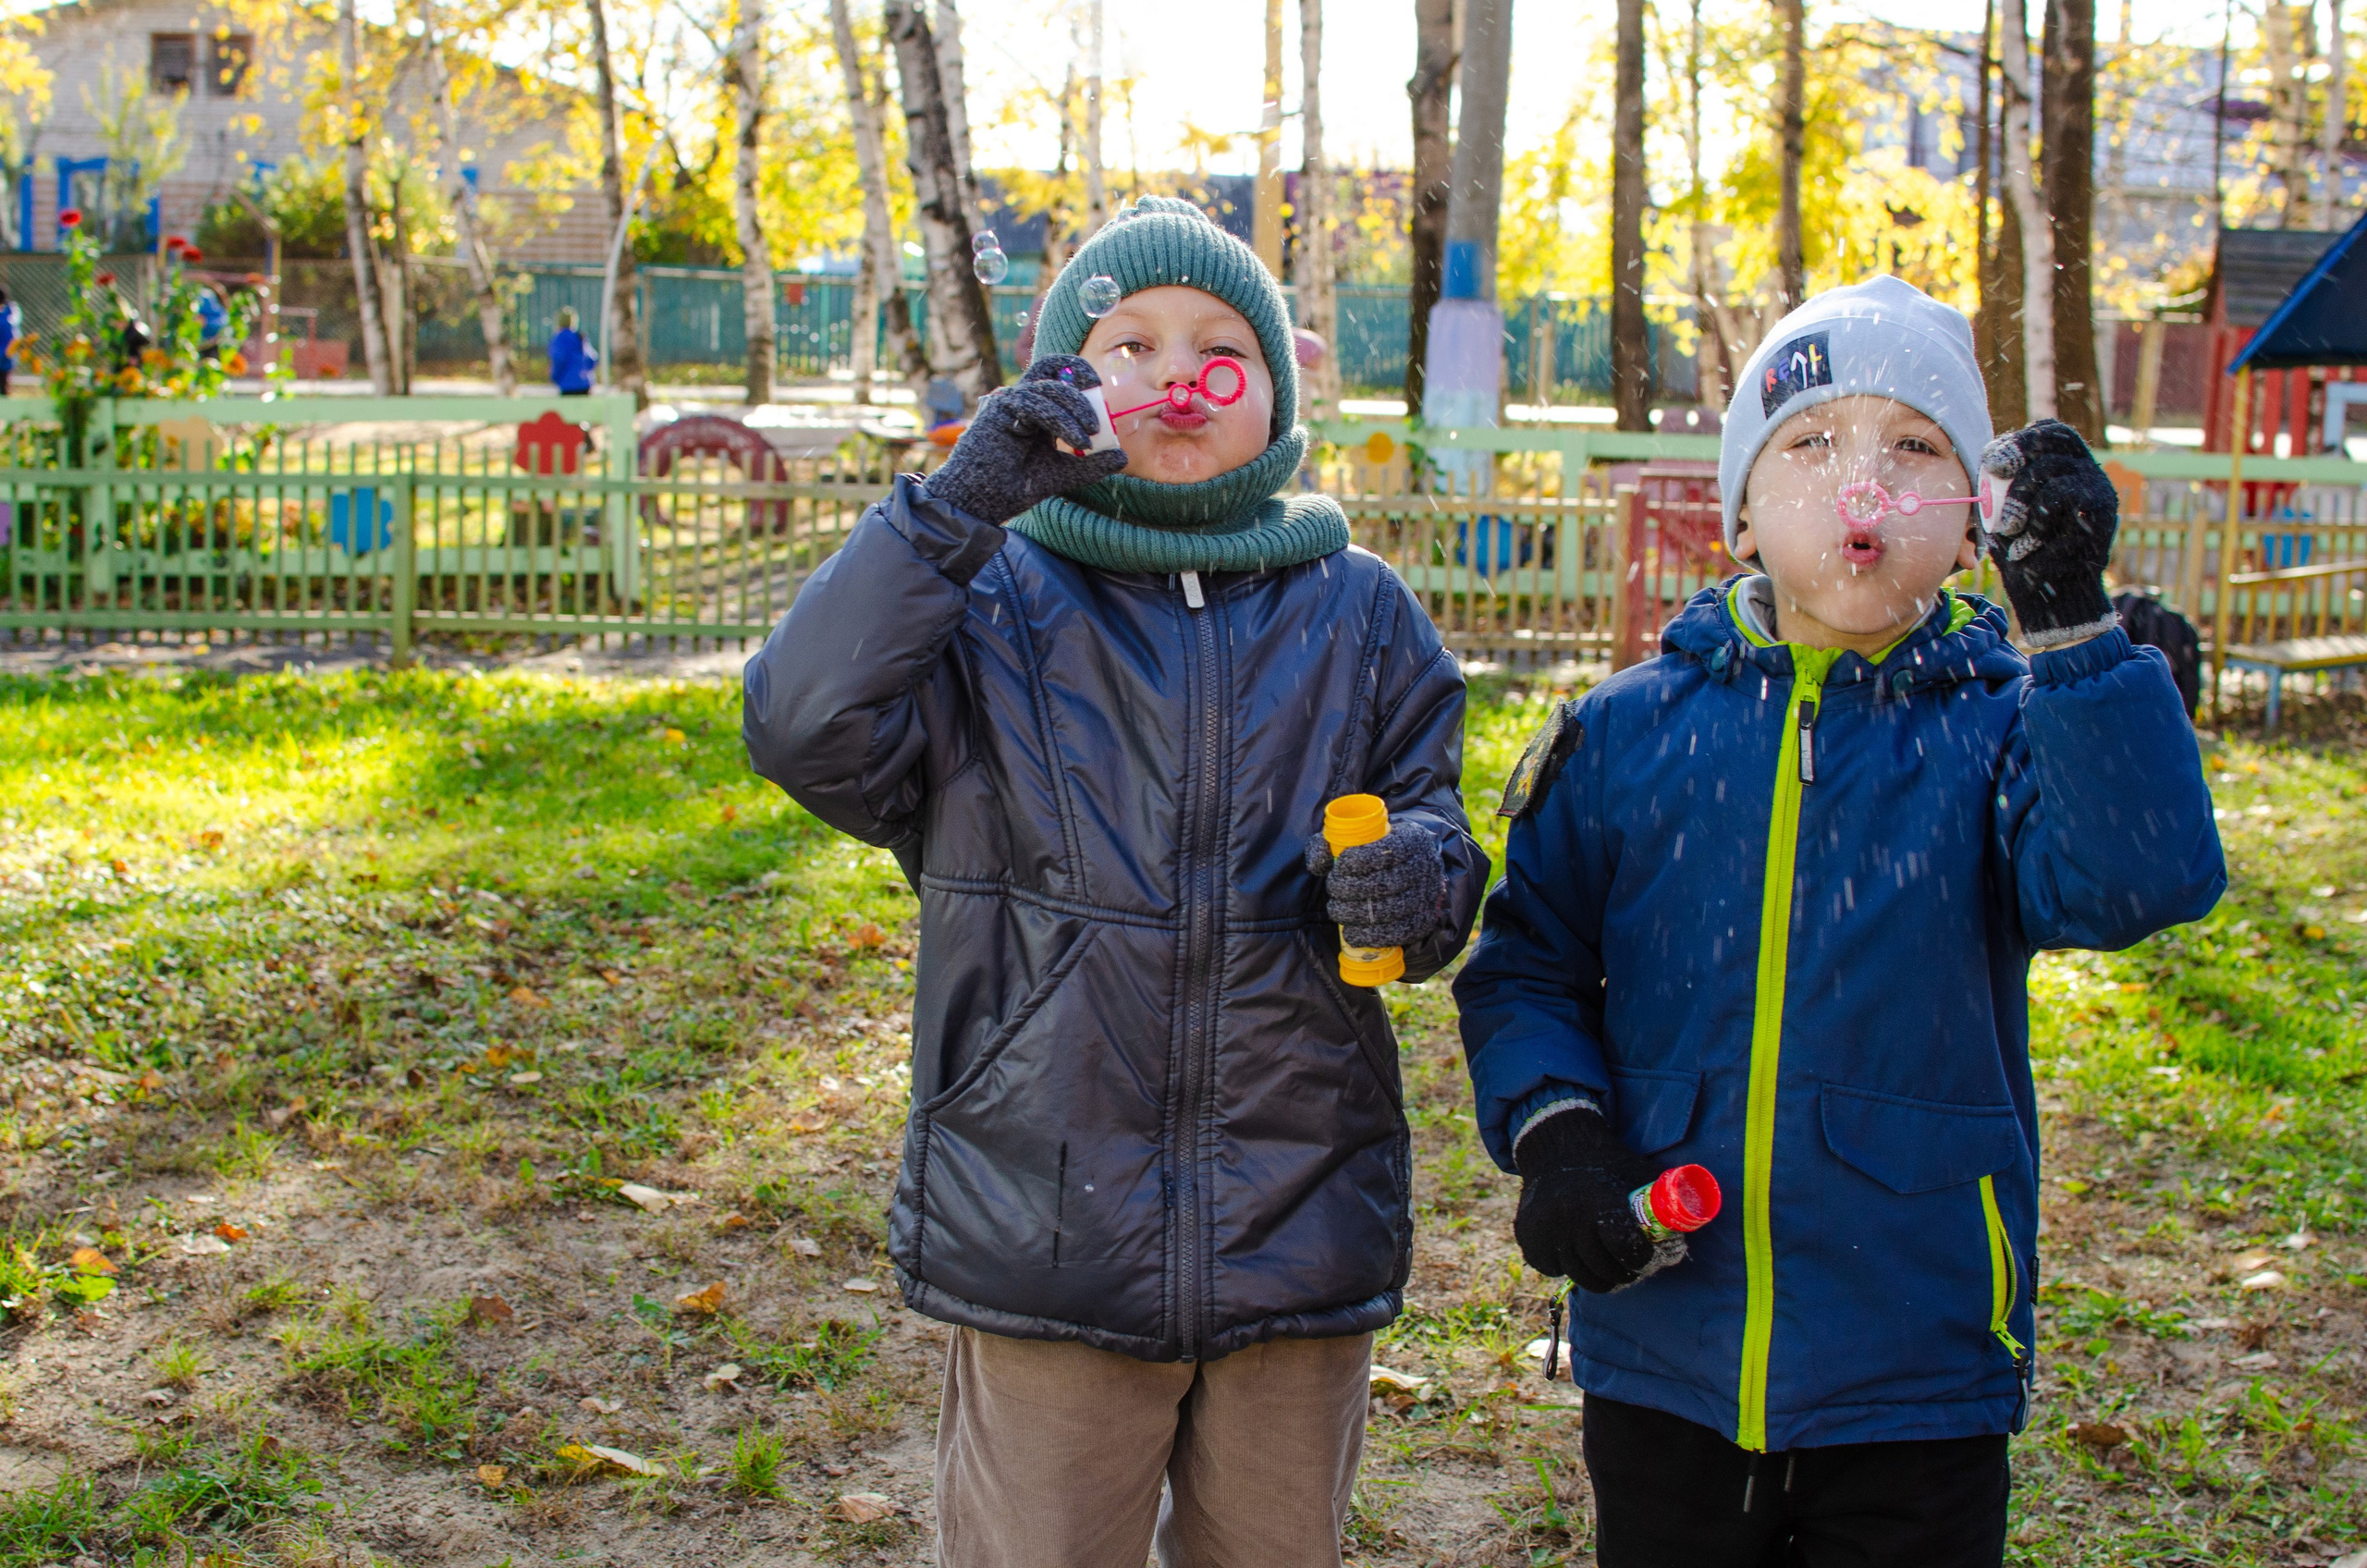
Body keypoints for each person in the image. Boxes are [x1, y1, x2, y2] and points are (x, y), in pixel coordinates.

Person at [742, 195, 1486, 1568]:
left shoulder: (1360, 607)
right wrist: (954, 509)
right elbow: (800, 725)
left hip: (1295, 1227)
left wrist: (1420, 882)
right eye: (1126, 345)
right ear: (1066, 392)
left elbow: (1437, 829)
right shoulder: (987, 602)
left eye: (1219, 347)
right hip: (1046, 1223)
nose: (1172, 376)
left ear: (1276, 390)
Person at [1454, 276, 2226, 1568]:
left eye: (1916, 449)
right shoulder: (1630, 733)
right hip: (1668, 1341)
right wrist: (1564, 1138)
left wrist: (2078, 631)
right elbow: (1528, 964)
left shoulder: (2002, 728)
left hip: (1915, 1352)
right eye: (1811, 447)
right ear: (1742, 510)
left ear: (1978, 526)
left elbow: (2139, 881)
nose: (1864, 487)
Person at [548, 307, 596, 395]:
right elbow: (592, 359)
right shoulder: (580, 337)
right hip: (586, 384)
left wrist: (554, 377)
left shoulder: (559, 338)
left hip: (567, 384)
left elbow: (558, 359)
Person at [0, 286, 18, 394]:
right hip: (8, 356)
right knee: (4, 387)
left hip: (6, 356)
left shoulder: (8, 315)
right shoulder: (12, 312)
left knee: (4, 388)